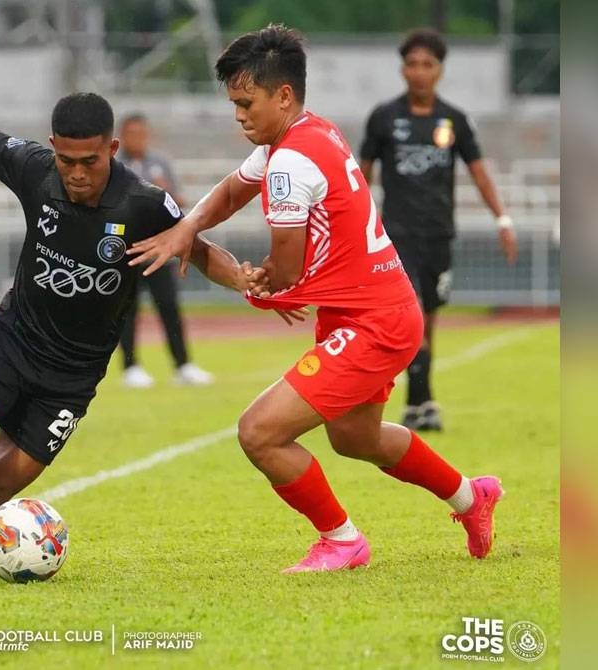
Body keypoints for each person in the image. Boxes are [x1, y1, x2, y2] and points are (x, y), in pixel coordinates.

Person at [0, 35, 287, 578]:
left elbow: (200, 250)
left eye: (89, 161)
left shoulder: (142, 203)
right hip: (14, 339)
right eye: (67, 160)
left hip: (72, 376)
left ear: (111, 151)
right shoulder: (36, 170)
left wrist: (250, 283)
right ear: (53, 147)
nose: (77, 173)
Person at [129, 24, 503, 573]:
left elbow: (283, 265)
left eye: (245, 102)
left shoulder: (289, 163)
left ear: (283, 95)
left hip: (373, 321)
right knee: (356, 438)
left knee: (259, 432)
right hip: (373, 306)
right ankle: (473, 498)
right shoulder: (309, 132)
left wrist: (254, 284)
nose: (238, 115)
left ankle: (342, 539)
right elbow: (234, 189)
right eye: (233, 103)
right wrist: (189, 227)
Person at [359, 28, 518, 431]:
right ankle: (420, 402)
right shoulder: (384, 118)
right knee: (409, 313)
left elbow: (479, 173)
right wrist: (355, 224)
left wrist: (502, 218)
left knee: (427, 320)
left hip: (439, 235)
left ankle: (420, 402)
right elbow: (361, 175)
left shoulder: (454, 120)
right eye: (412, 64)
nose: (419, 72)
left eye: (427, 64)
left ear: (439, 71)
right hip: (396, 235)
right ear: (402, 69)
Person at [116, 113, 214, 388]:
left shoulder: (160, 163)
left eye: (141, 133)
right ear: (122, 136)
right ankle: (131, 367)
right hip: (128, 252)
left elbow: (178, 200)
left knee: (169, 307)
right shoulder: (115, 165)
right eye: (131, 133)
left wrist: (165, 192)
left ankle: (183, 365)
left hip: (160, 250)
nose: (137, 138)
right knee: (127, 311)